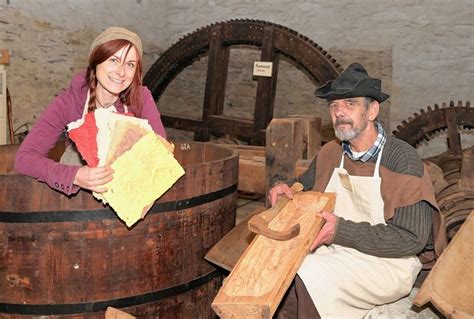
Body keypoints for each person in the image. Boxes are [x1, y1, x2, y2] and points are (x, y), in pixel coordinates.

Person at [270, 63, 444, 318]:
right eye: (334, 105)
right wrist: (285, 188)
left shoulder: (401, 159)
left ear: (372, 110)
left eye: (349, 103)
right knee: (279, 265)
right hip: (337, 250)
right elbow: (303, 187)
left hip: (388, 263)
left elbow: (411, 239)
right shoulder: (332, 152)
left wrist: (340, 230)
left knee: (306, 271)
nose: (339, 112)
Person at [15, 26, 166, 196]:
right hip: (77, 199)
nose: (121, 72)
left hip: (126, 192)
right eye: (113, 60)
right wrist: (75, 175)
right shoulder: (70, 102)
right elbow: (24, 159)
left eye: (130, 64)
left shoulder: (141, 98)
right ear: (95, 62)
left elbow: (161, 152)